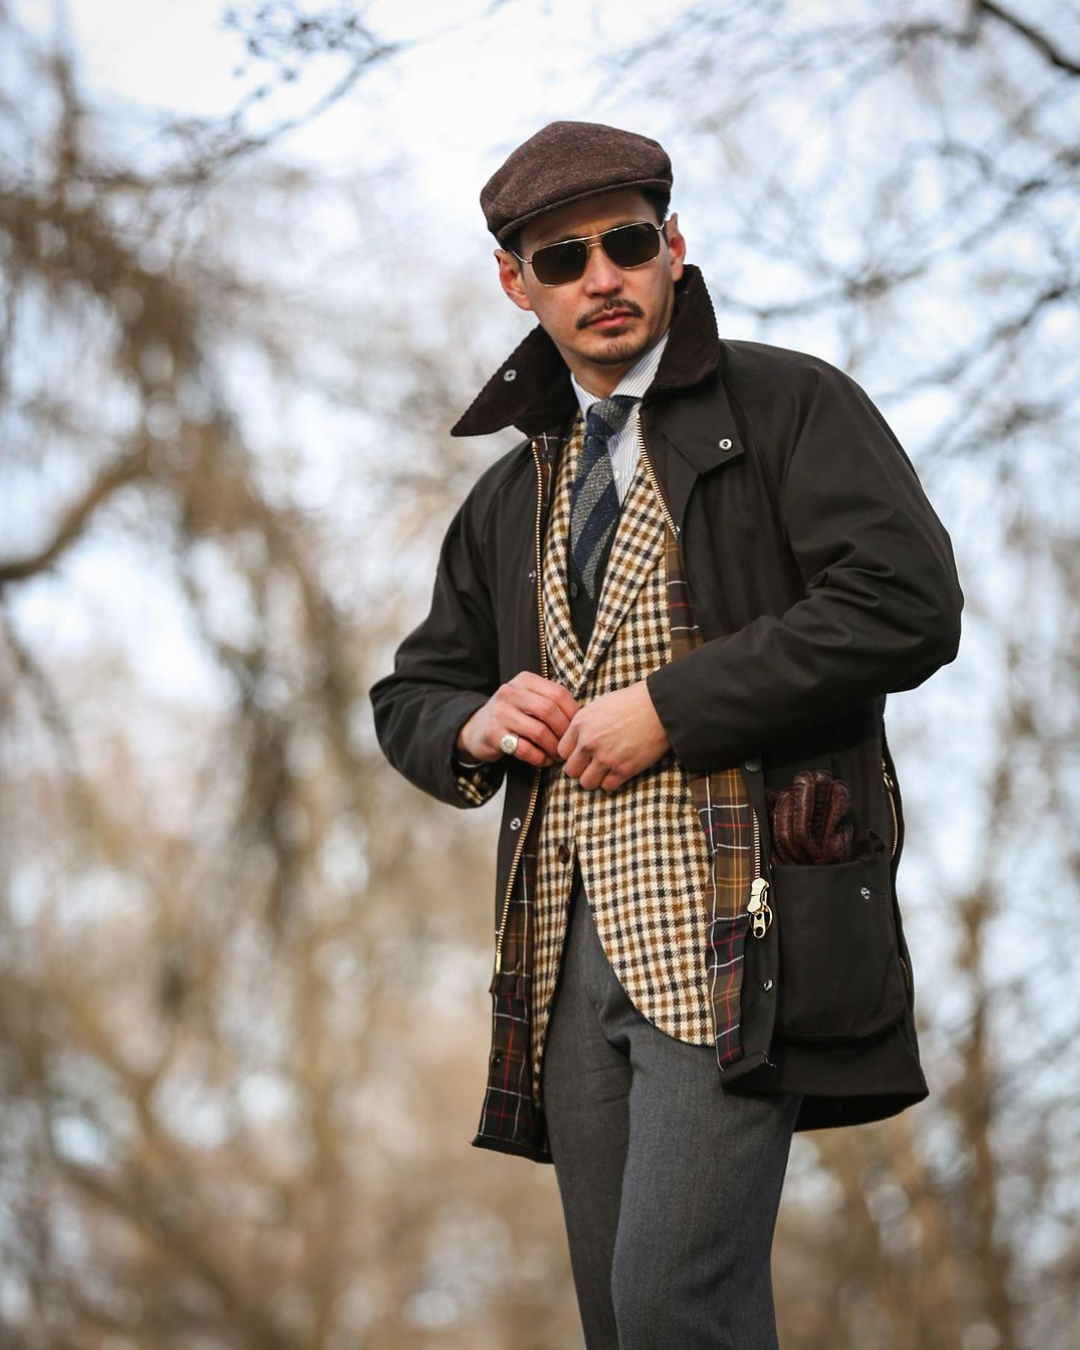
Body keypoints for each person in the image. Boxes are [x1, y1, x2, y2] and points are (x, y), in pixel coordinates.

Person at [370, 120, 962, 1350]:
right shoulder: (507, 494)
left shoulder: (791, 405)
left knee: (673, 1312)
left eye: (627, 242)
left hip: (743, 927)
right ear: (515, 283)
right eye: (562, 255)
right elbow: (410, 694)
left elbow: (906, 604)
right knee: (622, 1327)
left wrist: (672, 709)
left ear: (673, 247)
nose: (600, 274)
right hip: (566, 955)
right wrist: (474, 720)